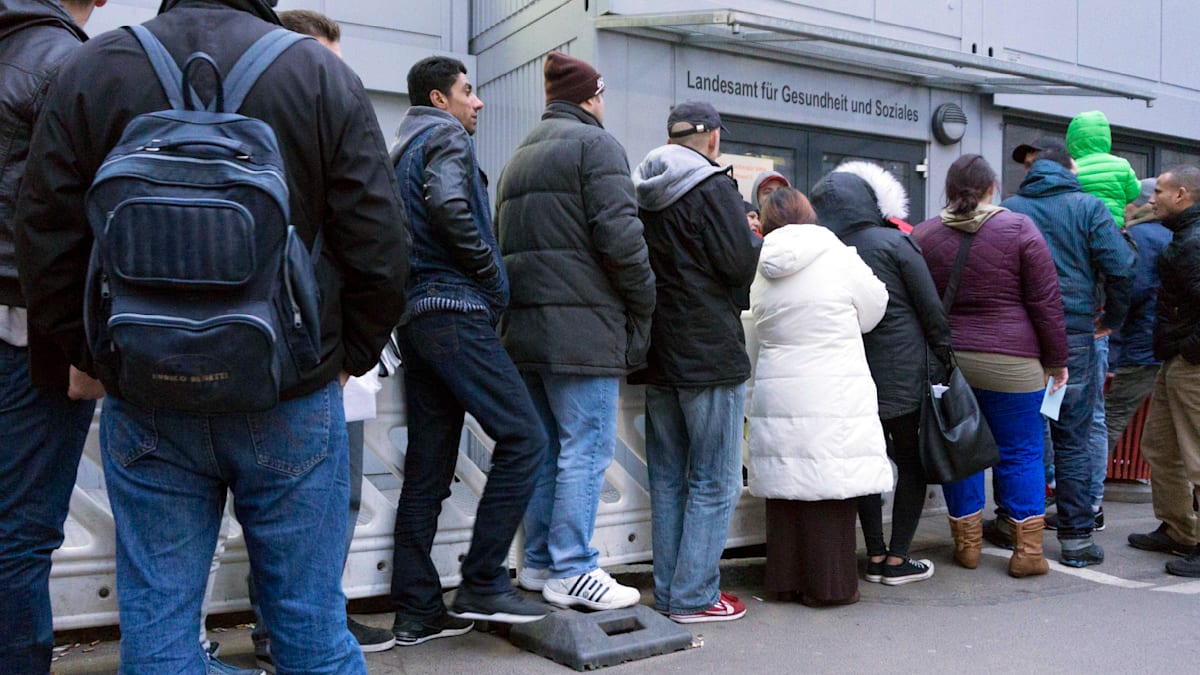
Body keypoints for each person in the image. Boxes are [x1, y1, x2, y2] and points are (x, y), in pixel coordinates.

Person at [15, 0, 410, 671]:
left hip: (146, 391)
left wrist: (92, 354)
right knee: (310, 627)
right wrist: (346, 357)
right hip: (289, 388)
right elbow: (381, 241)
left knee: (161, 628)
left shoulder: (96, 65)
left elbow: (42, 234)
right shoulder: (316, 71)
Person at [389, 55, 549, 645]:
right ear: (439, 99)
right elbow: (452, 208)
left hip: (417, 320)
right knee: (525, 437)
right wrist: (491, 276)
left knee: (428, 472)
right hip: (454, 311)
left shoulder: (401, 147)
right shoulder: (447, 137)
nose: (476, 102)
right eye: (467, 91)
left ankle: (416, 609)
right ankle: (482, 578)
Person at [496, 51, 655, 610]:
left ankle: (538, 563)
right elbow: (621, 238)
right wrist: (643, 300)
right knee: (585, 450)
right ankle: (574, 567)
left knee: (546, 450)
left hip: (527, 330)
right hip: (581, 329)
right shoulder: (596, 145)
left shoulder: (520, 156)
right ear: (592, 97)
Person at [0, 2, 106, 673]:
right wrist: (81, 344)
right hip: (27, 326)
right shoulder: (66, 61)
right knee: (21, 531)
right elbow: (81, 215)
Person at [631, 100, 760, 623]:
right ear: (710, 139)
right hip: (707, 351)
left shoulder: (641, 190)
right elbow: (737, 263)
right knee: (716, 479)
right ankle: (694, 596)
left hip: (658, 351)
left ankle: (670, 592)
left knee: (667, 478)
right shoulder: (712, 187)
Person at [914, 154, 1068, 577]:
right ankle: (1028, 553)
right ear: (992, 187)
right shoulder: (1019, 228)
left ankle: (967, 548)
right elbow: (1046, 303)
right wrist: (1056, 361)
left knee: (959, 452)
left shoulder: (925, 234)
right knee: (1021, 452)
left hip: (952, 364)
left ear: (948, 189)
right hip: (1013, 364)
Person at [748, 187, 891, 605]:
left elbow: (758, 317)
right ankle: (829, 587)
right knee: (830, 484)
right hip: (833, 383)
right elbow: (875, 306)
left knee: (787, 481)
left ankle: (784, 581)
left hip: (779, 384)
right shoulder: (838, 255)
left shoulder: (761, 265)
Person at [811, 162, 951, 586]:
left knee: (865, 464)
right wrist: (947, 359)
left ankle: (872, 552)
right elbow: (932, 311)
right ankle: (897, 559)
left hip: (850, 377)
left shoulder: (825, 251)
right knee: (911, 464)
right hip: (904, 376)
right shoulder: (895, 243)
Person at [1001, 146, 1133, 567]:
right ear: (1070, 169)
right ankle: (1076, 540)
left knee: (1020, 438)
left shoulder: (1009, 210)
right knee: (1072, 439)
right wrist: (1110, 317)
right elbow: (1122, 267)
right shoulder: (1089, 208)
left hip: (1018, 339)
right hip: (1073, 333)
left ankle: (1016, 526)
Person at [1127, 166, 1200, 573]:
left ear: (1182, 194)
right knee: (1161, 446)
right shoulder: (1184, 237)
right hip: (1177, 358)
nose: (1151, 199)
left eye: (1159, 191)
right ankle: (1178, 529)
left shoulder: (1193, 243)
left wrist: (1188, 351)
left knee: (1196, 455)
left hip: (1190, 363)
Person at [1106, 180, 1172, 453]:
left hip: (1139, 345)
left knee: (1111, 416)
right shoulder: (1169, 234)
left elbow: (1134, 289)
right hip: (1161, 344)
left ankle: (1083, 491)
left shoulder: (1142, 236)